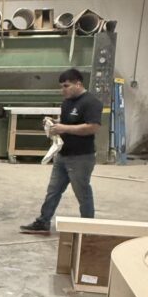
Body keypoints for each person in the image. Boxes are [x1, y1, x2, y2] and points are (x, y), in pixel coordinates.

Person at [20, 68, 103, 235]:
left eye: (66, 86)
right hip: (63, 155)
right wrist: (54, 124)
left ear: (78, 84)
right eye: (61, 86)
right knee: (53, 190)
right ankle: (43, 222)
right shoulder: (67, 102)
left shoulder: (91, 102)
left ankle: (88, 228)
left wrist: (64, 127)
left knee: (82, 192)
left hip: (81, 157)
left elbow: (92, 127)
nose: (62, 90)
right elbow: (67, 122)